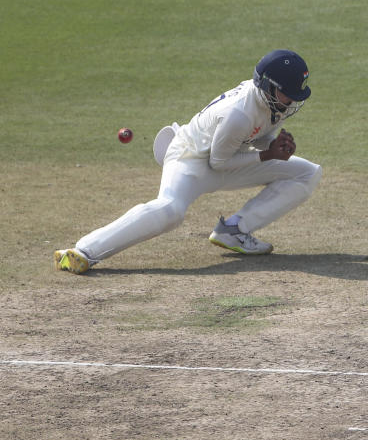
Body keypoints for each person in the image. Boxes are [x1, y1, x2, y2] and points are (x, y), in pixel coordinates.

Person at [55, 49, 322, 274]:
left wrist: (272, 146)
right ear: (269, 86)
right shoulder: (238, 114)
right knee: (171, 211)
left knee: (306, 173)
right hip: (190, 160)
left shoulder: (275, 103)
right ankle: (83, 251)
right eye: (289, 94)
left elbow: (258, 136)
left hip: (228, 159)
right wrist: (267, 155)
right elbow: (218, 163)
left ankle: (234, 231)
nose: (292, 102)